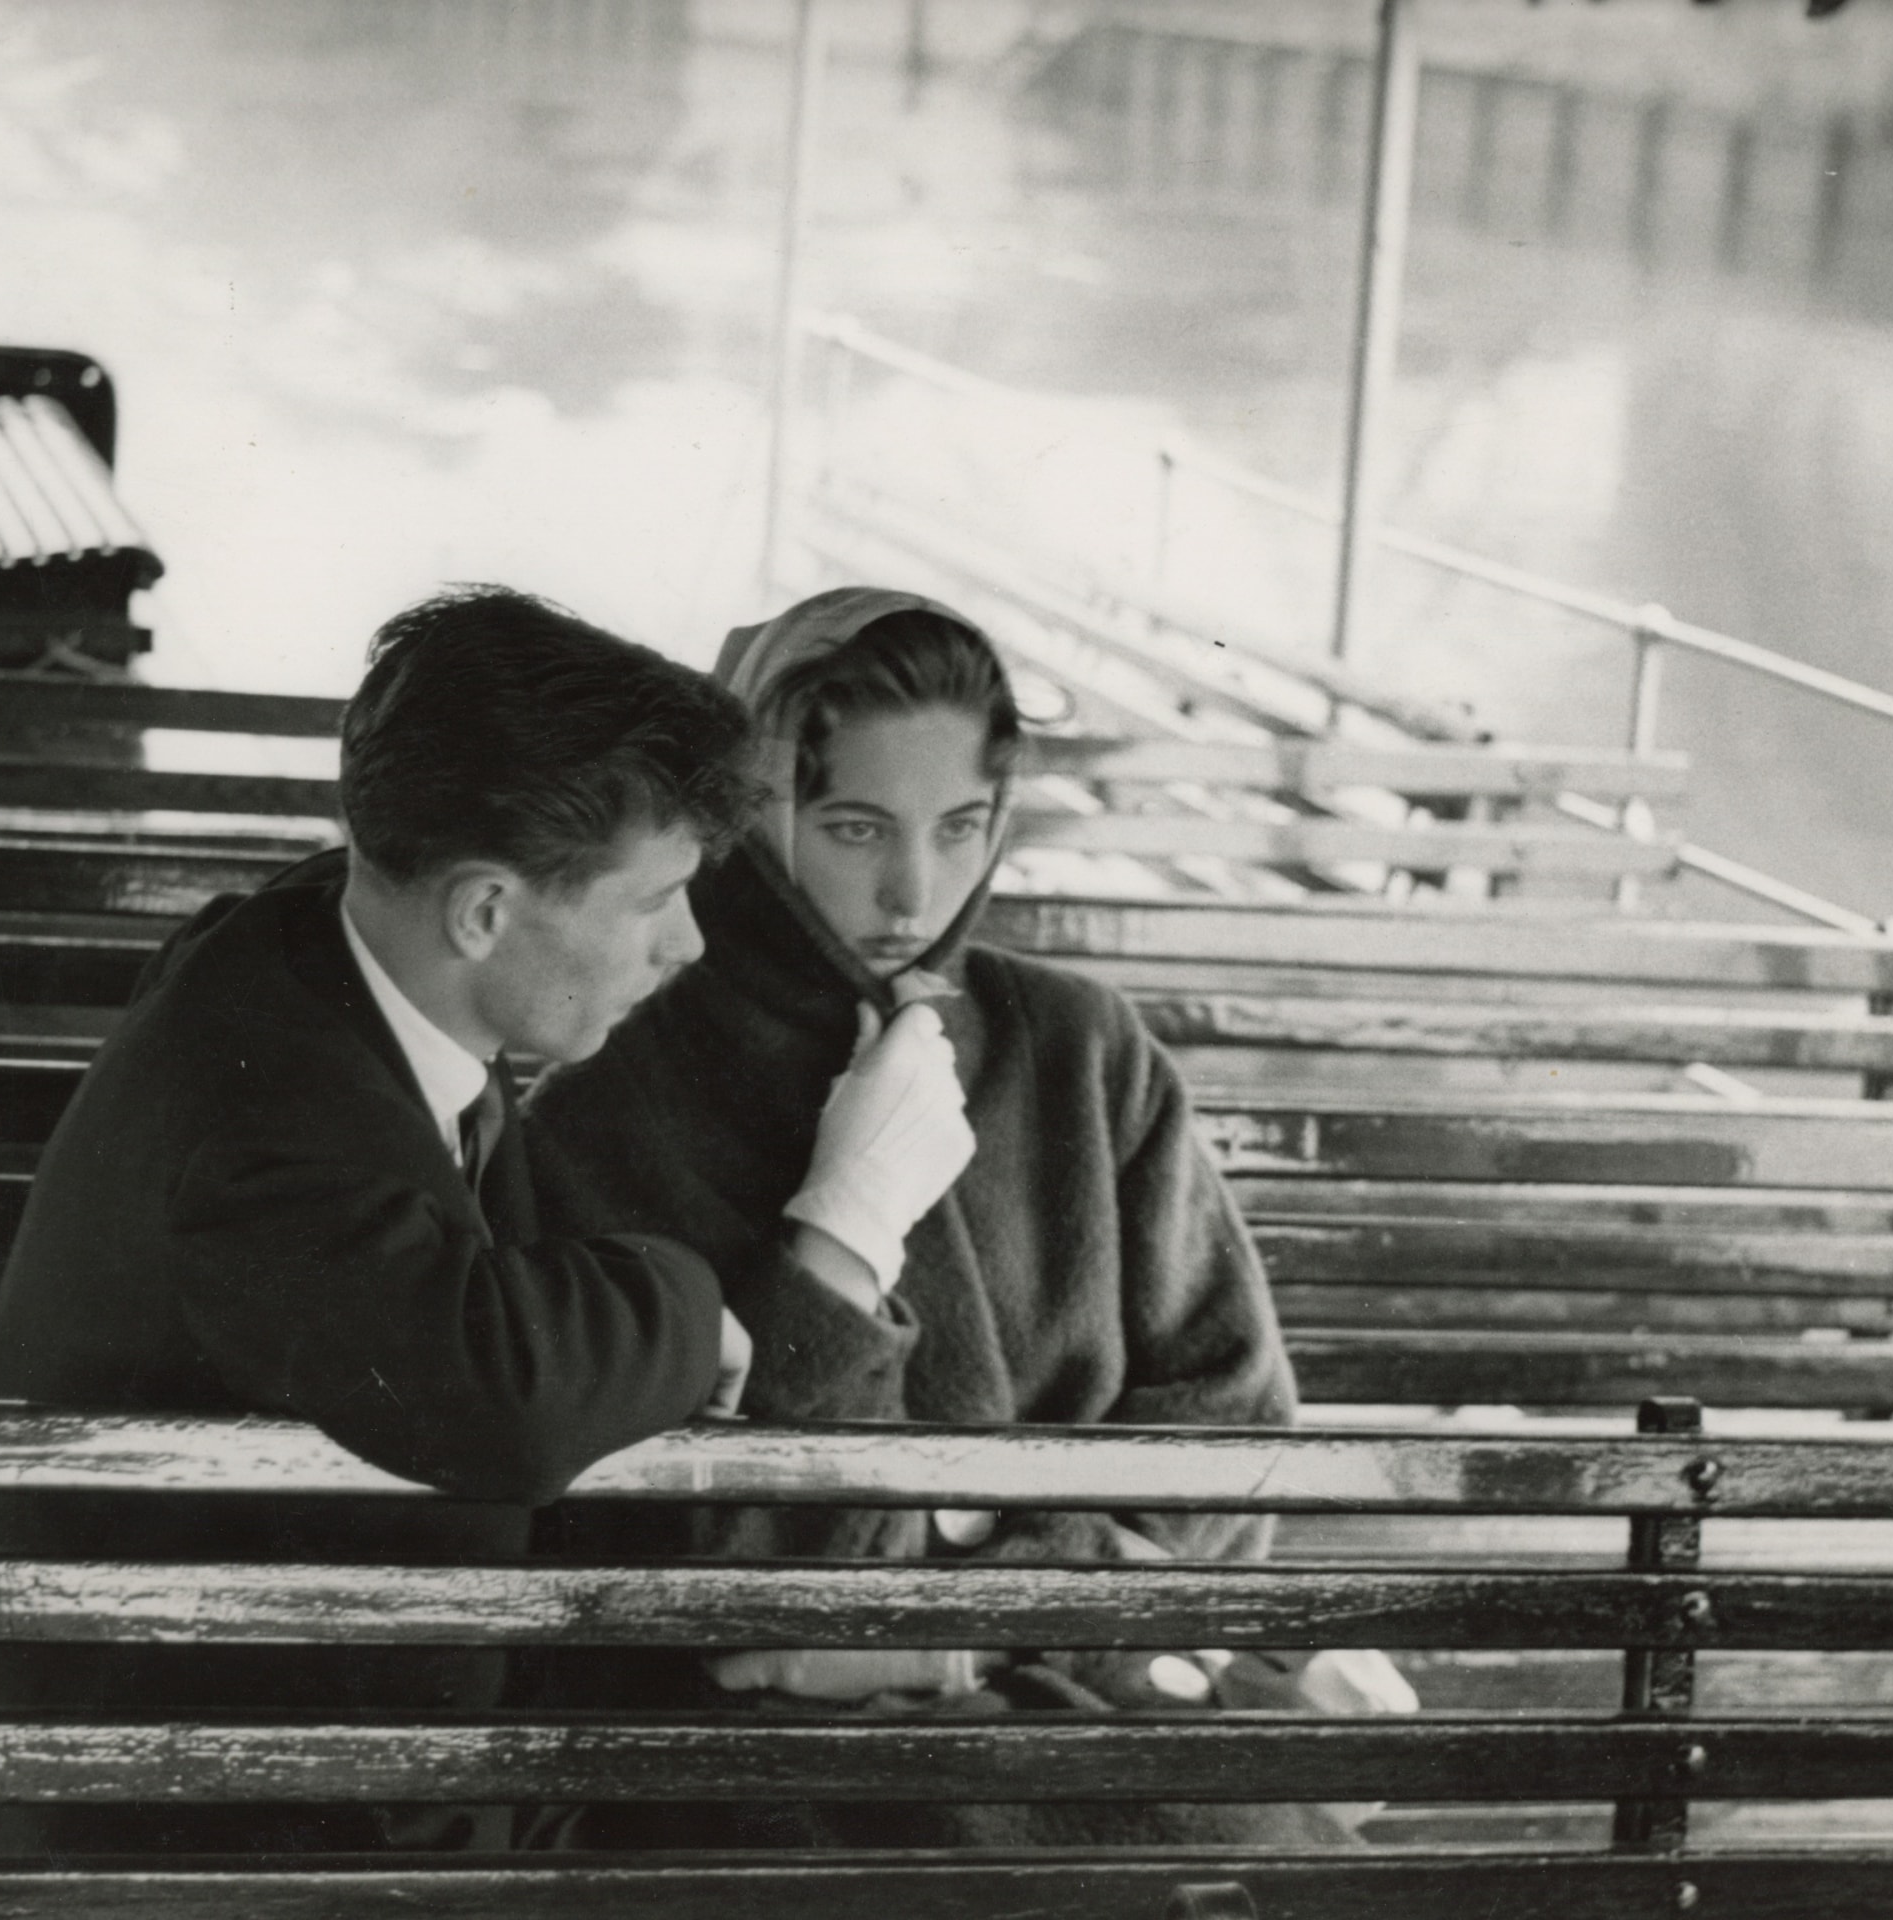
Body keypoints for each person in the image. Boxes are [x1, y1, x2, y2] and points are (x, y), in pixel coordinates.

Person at [0, 585, 779, 1856]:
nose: (690, 945)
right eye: (653, 903)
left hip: (291, 1753)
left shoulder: (313, 942)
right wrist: (692, 1307)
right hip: (159, 1840)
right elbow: (499, 1390)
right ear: (482, 911)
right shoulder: (254, 1139)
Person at [527, 585, 1361, 1850]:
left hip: (1085, 1708)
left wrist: (965, 1618)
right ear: (754, 807)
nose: (913, 891)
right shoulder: (615, 1094)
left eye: (962, 826)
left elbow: (1233, 1434)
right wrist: (837, 1244)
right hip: (760, 1771)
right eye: (857, 828)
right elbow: (705, 1566)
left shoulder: (1083, 1051)